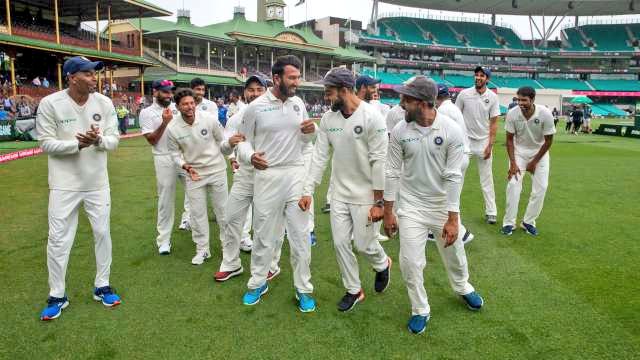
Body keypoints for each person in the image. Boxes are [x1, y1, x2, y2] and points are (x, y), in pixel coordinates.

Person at [383, 76, 483, 335]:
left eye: (407, 99)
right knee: (409, 262)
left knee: (455, 255)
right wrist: (388, 211)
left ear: (424, 102)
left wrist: (453, 218)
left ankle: (462, 287)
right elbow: (392, 171)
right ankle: (420, 309)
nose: (401, 103)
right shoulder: (399, 131)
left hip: (441, 206)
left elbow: (453, 175)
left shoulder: (451, 129)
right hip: (411, 206)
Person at [36, 56, 121, 321]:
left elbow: (114, 140)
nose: (93, 78)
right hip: (64, 185)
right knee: (59, 239)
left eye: (94, 74)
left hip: (97, 183)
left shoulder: (104, 103)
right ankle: (57, 294)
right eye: (87, 74)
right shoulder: (51, 103)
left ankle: (102, 285)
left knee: (102, 233)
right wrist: (78, 145)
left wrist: (97, 141)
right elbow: (46, 144)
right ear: (72, 77)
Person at [300, 67, 391, 312]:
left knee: (364, 246)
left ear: (344, 90)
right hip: (339, 193)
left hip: (366, 195)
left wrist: (379, 202)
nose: (326, 99)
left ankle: (382, 264)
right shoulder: (329, 119)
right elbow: (319, 157)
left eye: (329, 93)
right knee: (340, 244)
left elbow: (379, 160)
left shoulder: (372, 117)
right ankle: (354, 289)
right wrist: (308, 189)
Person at [237, 55, 317, 312]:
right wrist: (250, 156)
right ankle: (257, 283)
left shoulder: (298, 104)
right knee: (263, 236)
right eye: (292, 77)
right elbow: (242, 141)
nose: (297, 82)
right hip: (267, 176)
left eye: (298, 77)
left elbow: (307, 144)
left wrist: (311, 134)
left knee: (300, 237)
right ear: (276, 78)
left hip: (295, 174)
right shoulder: (256, 107)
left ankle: (303, 289)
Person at [166, 88, 231, 265]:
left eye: (191, 103)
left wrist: (231, 155)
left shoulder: (209, 119)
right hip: (194, 174)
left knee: (223, 212)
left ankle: (228, 248)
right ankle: (203, 250)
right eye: (185, 104)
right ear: (178, 107)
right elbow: (174, 154)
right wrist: (184, 165)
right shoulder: (172, 128)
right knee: (197, 214)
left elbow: (222, 141)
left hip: (217, 170)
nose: (189, 107)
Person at [214, 75, 267, 282]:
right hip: (244, 174)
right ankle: (231, 263)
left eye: (258, 89)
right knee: (231, 217)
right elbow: (224, 146)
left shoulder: (275, 114)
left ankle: (267, 266)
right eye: (250, 89)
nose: (254, 93)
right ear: (244, 92)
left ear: (266, 90)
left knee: (265, 223)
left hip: (268, 175)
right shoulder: (236, 117)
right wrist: (230, 147)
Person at [139, 79, 191, 255]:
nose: (169, 95)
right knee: (165, 200)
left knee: (196, 191)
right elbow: (152, 140)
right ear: (155, 92)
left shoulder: (178, 108)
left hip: (183, 156)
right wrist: (165, 122)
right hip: (163, 157)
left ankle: (195, 229)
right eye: (165, 92)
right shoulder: (146, 113)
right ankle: (164, 241)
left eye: (170, 92)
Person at [501, 87, 555, 236]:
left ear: (532, 99)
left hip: (540, 152)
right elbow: (509, 140)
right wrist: (512, 163)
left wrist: (534, 162)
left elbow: (549, 141)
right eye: (518, 99)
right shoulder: (512, 114)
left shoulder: (545, 113)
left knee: (541, 188)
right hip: (519, 152)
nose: (520, 103)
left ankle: (528, 222)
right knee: (513, 185)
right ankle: (508, 223)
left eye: (524, 100)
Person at [456, 66, 500, 224]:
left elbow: (494, 122)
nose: (478, 78)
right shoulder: (464, 94)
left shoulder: (493, 97)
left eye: (482, 76)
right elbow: (455, 116)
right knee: (457, 177)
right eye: (476, 75)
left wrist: (490, 144)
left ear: (487, 79)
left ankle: (491, 212)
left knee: (487, 179)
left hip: (483, 142)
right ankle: (453, 210)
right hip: (465, 142)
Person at [436, 84, 474, 244]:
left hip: (456, 156)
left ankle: (463, 233)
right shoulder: (451, 108)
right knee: (450, 195)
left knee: (446, 196)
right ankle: (439, 228)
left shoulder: (444, 111)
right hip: (462, 154)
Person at [355, 74, 389, 242]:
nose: (375, 90)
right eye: (372, 87)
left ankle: (371, 234)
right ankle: (361, 234)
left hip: (372, 159)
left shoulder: (371, 108)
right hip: (359, 161)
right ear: (362, 87)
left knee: (373, 196)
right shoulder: (353, 107)